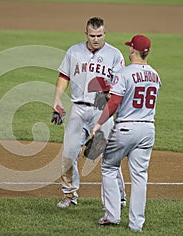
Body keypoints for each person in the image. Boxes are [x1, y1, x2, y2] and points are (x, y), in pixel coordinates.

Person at [52, 16, 126, 208]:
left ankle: (119, 197)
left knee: (108, 155)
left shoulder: (115, 54)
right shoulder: (73, 51)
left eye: (99, 35)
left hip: (103, 109)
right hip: (78, 108)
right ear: (86, 34)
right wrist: (57, 99)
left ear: (105, 34)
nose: (96, 39)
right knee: (68, 153)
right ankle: (69, 195)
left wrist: (108, 98)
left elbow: (120, 85)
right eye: (92, 35)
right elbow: (63, 76)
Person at [90, 34, 161, 232]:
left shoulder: (125, 73)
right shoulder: (155, 75)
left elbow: (114, 102)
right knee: (140, 176)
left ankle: (112, 216)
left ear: (132, 51)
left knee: (109, 167)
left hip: (126, 128)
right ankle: (136, 224)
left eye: (130, 47)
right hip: (148, 128)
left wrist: (98, 123)